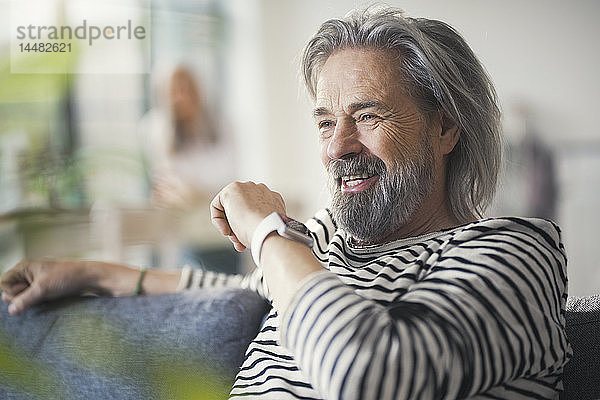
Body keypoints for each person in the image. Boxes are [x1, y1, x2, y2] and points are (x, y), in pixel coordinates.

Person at [0, 7, 570, 399]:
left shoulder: (515, 251)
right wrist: (89, 272)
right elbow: (235, 292)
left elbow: (370, 378)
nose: (340, 146)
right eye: (326, 121)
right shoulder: (325, 248)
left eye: (367, 116)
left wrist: (268, 231)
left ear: (446, 128)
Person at [139, 64, 235, 207]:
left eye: (187, 89)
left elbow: (227, 178)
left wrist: (192, 191)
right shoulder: (155, 128)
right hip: (176, 210)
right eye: (175, 90)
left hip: (217, 206)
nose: (183, 97)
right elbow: (164, 182)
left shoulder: (222, 124)